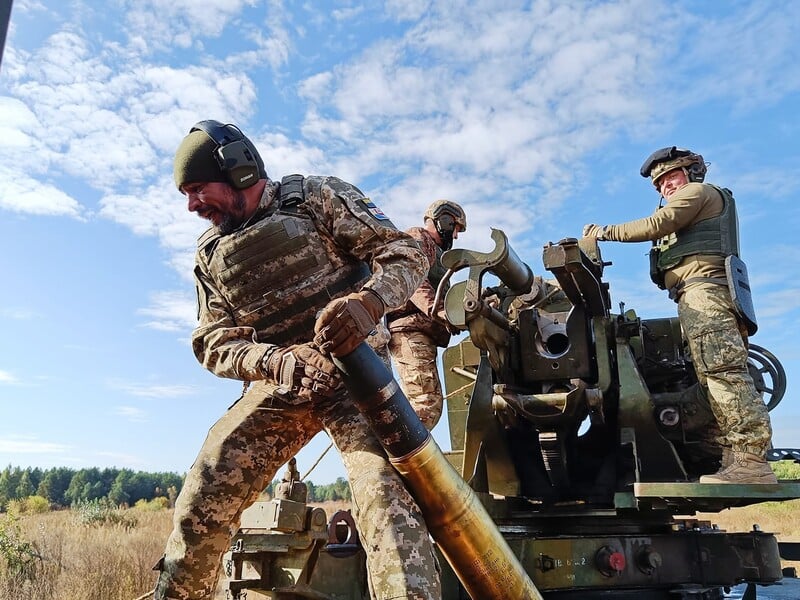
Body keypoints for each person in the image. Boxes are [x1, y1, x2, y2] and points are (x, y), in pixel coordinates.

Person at [153, 120, 441, 600]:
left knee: (386, 500)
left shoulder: (314, 198)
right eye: (186, 194)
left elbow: (405, 251)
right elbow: (211, 340)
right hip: (281, 384)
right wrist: (271, 362)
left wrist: (370, 302)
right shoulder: (210, 254)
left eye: (198, 189)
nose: (191, 206)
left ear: (238, 170)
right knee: (203, 493)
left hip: (357, 379)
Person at [583, 146, 776, 485]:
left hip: (706, 293)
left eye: (670, 177)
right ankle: (737, 457)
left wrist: (603, 231)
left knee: (723, 374)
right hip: (696, 295)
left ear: (689, 174)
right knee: (710, 379)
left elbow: (659, 223)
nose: (665, 187)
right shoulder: (692, 197)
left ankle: (751, 462)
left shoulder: (698, 193)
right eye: (659, 185)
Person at [387, 200, 466, 430]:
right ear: (444, 221)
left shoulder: (435, 253)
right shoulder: (417, 239)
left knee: (428, 407)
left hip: (420, 333)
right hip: (409, 331)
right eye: (456, 228)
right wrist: (439, 310)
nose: (457, 236)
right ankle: (388, 463)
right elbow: (411, 279)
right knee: (424, 408)